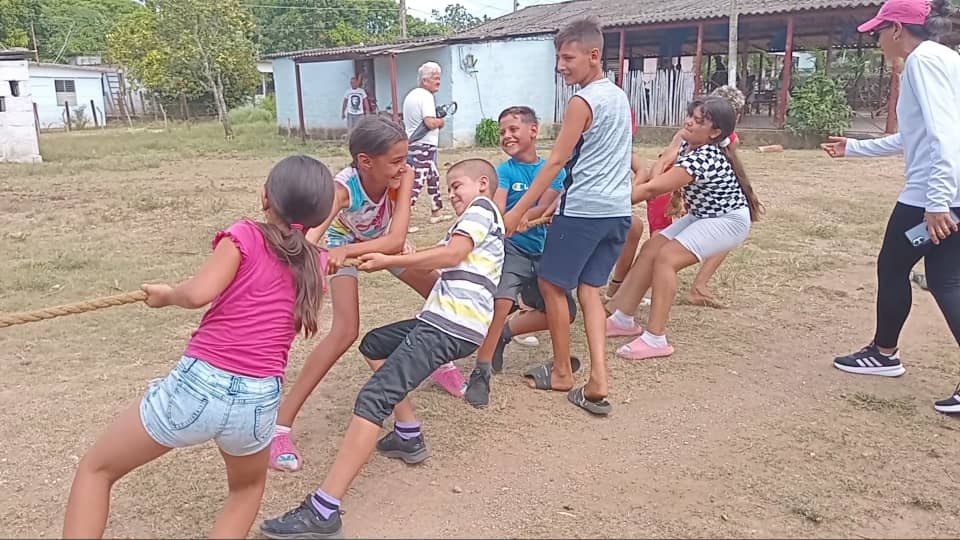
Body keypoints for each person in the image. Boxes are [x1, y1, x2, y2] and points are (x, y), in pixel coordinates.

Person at [61, 155, 336, 539]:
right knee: (246, 490)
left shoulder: (246, 235)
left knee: (96, 469)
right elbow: (303, 245)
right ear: (321, 213)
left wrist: (166, 295)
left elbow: (197, 294)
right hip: (259, 400)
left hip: (201, 383)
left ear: (264, 198)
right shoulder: (316, 264)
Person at [259, 159, 504, 539]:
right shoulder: (474, 222)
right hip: (450, 324)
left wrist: (393, 258)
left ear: (483, 184)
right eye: (451, 187)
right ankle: (408, 434)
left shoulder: (481, 209)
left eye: (457, 185)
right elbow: (445, 263)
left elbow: (451, 256)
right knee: (375, 344)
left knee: (372, 399)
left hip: (446, 326)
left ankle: (324, 510)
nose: (452, 193)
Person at [269, 117, 463, 474]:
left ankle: (438, 360)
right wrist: (315, 261)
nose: (403, 166)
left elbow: (394, 238)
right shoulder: (341, 191)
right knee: (345, 332)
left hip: (380, 246)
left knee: (442, 293)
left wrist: (371, 251)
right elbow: (311, 240)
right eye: (395, 160)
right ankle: (280, 427)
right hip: (343, 246)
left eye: (405, 157)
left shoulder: (402, 176)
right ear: (364, 160)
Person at [821, 0, 960, 414]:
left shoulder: (922, 62)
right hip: (949, 192)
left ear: (897, 29)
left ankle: (884, 354)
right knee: (945, 279)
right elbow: (914, 137)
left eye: (880, 31)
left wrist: (936, 202)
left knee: (894, 266)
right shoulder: (946, 58)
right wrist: (856, 147)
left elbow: (944, 137)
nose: (877, 38)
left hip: (930, 196)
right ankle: (883, 353)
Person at [501, 16, 632, 416]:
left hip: (585, 212)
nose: (561, 66)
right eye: (558, 58)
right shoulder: (618, 96)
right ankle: (599, 378)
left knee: (551, 285)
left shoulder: (582, 101)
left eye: (568, 57)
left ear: (594, 55)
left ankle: (561, 371)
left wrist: (519, 211)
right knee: (590, 290)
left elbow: (557, 159)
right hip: (617, 213)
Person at [606, 96, 763, 360]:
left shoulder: (705, 157)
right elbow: (659, 169)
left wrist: (606, 203)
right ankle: (623, 319)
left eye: (698, 120)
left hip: (726, 221)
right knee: (652, 248)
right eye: (690, 115)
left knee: (667, 259)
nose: (689, 122)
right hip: (703, 215)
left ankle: (656, 338)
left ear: (715, 132)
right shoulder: (688, 143)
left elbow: (656, 188)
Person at [463, 105, 576, 408]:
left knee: (565, 313)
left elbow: (548, 206)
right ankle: (481, 371)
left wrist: (525, 213)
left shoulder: (554, 170)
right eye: (502, 132)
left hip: (545, 250)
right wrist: (512, 217)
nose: (506, 136)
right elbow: (499, 210)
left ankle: (504, 334)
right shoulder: (503, 171)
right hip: (513, 248)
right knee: (501, 303)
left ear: (533, 131)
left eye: (513, 129)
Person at [403, 61, 452, 228]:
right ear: (425, 81)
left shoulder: (412, 95)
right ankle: (402, 221)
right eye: (435, 78)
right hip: (423, 146)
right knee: (415, 183)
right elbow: (430, 122)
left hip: (416, 144)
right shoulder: (426, 96)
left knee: (433, 177)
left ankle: (436, 211)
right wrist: (441, 121)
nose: (438, 82)